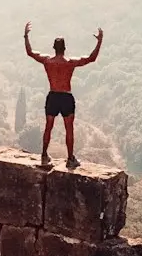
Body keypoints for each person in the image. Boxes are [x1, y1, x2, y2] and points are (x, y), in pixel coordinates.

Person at [24, 22, 102, 168]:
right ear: (65, 48)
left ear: (54, 48)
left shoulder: (47, 61)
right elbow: (91, 58)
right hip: (66, 97)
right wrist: (99, 41)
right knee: (69, 129)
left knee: (49, 126)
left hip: (53, 96)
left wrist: (26, 36)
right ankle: (70, 158)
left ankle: (44, 154)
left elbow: (30, 52)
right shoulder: (70, 63)